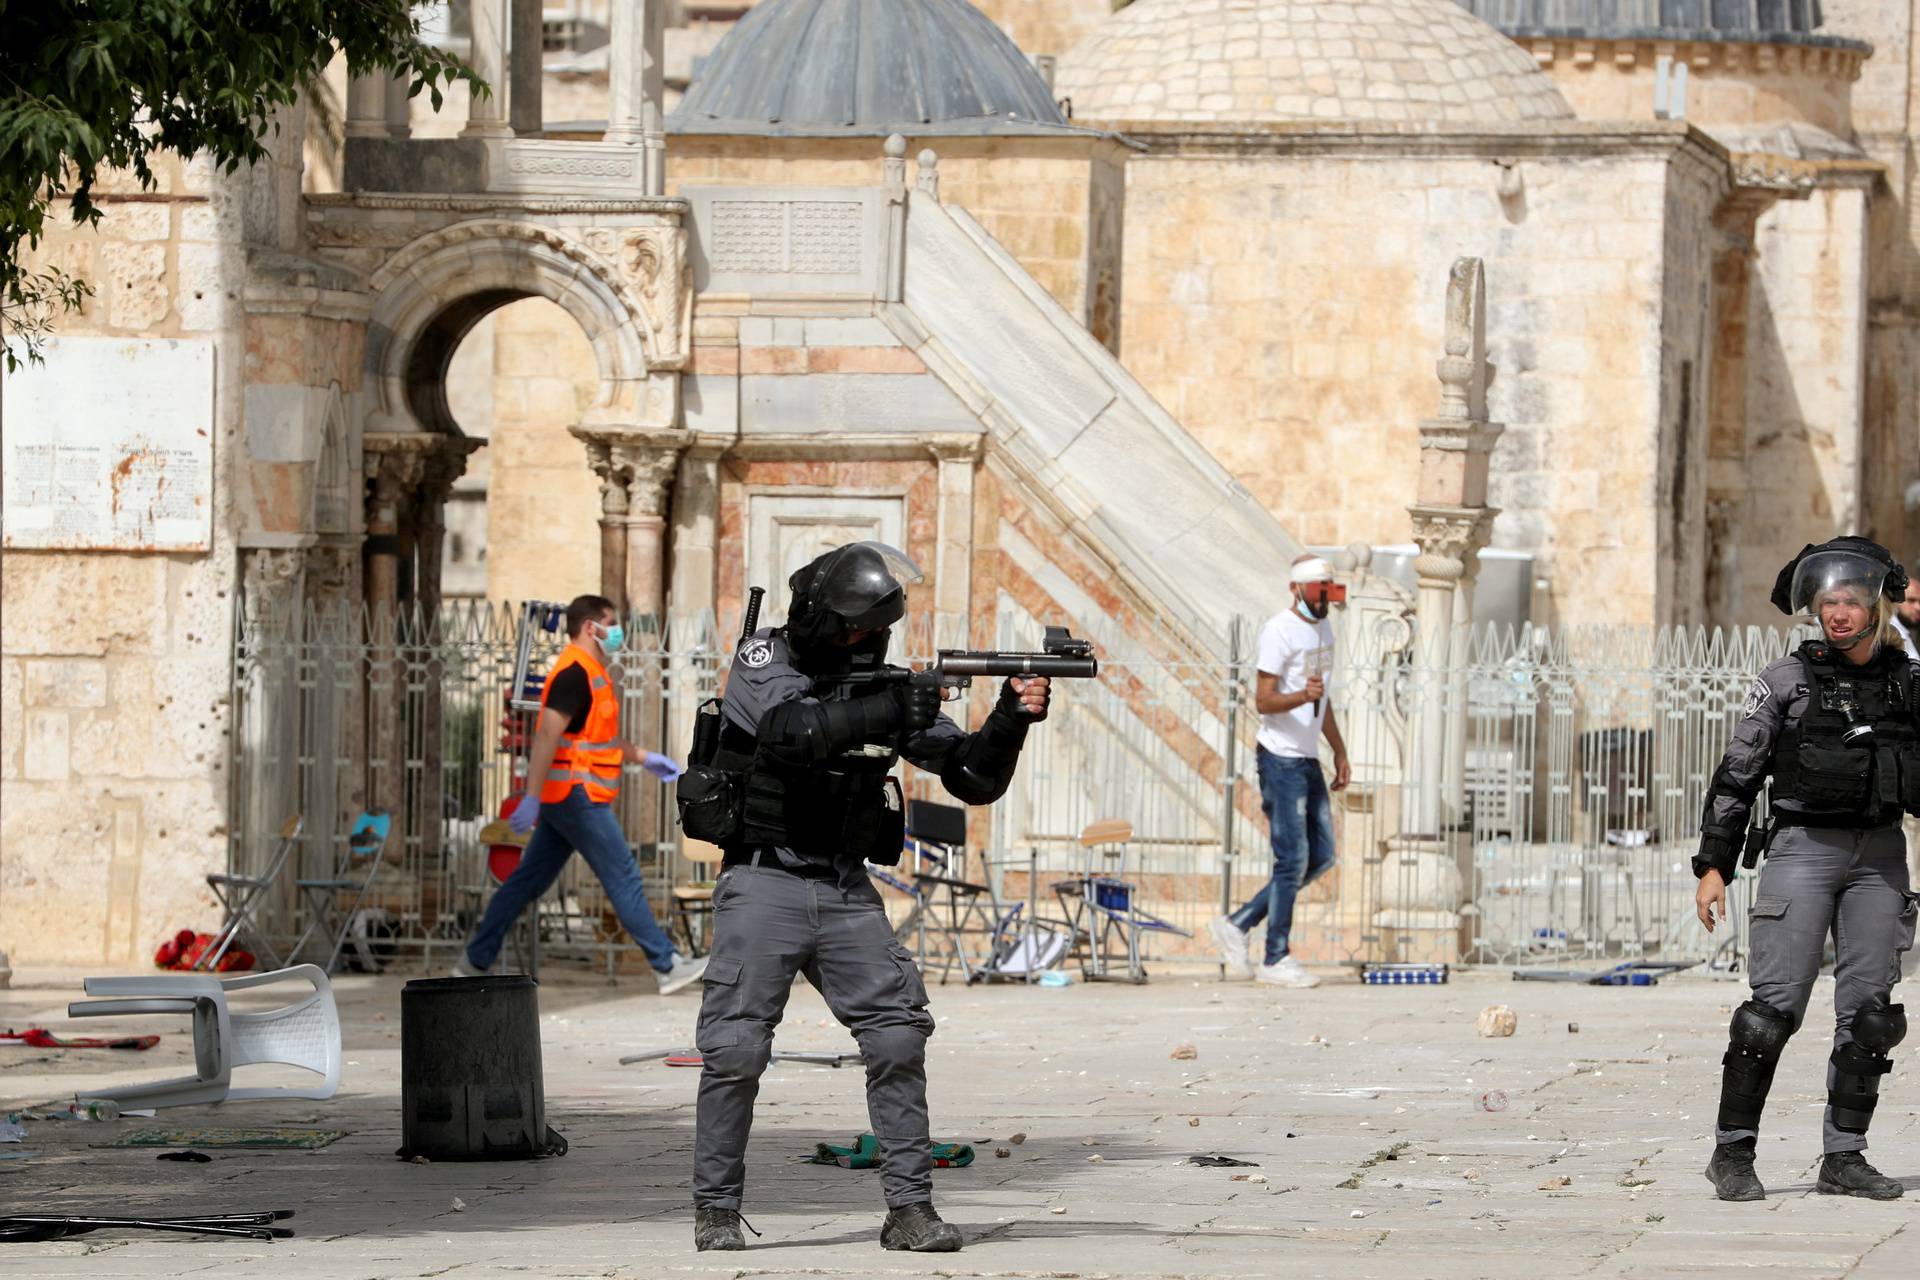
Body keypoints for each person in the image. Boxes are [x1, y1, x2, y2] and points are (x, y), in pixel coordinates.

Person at [688, 542, 1051, 1254]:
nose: (863, 639)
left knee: (896, 1036)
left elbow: (973, 778)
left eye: (872, 628)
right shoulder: (765, 660)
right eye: (852, 627)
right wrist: (892, 707)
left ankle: (910, 1211)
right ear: (822, 618)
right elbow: (792, 733)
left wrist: (1010, 718)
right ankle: (716, 1209)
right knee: (735, 1049)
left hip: (846, 887)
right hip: (763, 879)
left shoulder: (882, 686)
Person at [1694, 536, 1920, 1202]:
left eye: (1851, 601)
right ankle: (1732, 1153)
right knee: (1772, 1010)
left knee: (1871, 1014)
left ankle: (1843, 1156)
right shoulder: (1786, 681)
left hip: (1880, 852)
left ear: (1876, 606)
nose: (1839, 613)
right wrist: (1715, 866)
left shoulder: (1907, 684)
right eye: (1828, 603)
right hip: (1803, 849)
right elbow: (1737, 776)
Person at [454, 594, 706, 994]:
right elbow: (546, 735)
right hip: (576, 795)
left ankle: (472, 961)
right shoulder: (574, 672)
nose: (617, 631)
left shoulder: (590, 671)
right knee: (623, 873)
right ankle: (666, 963)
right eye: (612, 622)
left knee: (525, 883)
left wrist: (643, 757)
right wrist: (530, 797)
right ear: (592, 627)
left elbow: (597, 738)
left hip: (570, 795)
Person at [1208, 555, 1350, 988]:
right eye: (1319, 588)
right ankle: (1275, 957)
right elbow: (1264, 701)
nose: (1326, 595)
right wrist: (1299, 695)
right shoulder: (1278, 631)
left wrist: (1339, 752)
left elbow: (1320, 700)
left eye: (1330, 586)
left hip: (1307, 757)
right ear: (1297, 589)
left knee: (1322, 856)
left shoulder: (1324, 628)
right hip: (1280, 757)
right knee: (1292, 860)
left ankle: (1239, 923)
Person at [1892, 571, 1919, 652]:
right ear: (1896, 600)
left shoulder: (1905, 633)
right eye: (1911, 600)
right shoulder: (1887, 637)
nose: (1918, 608)